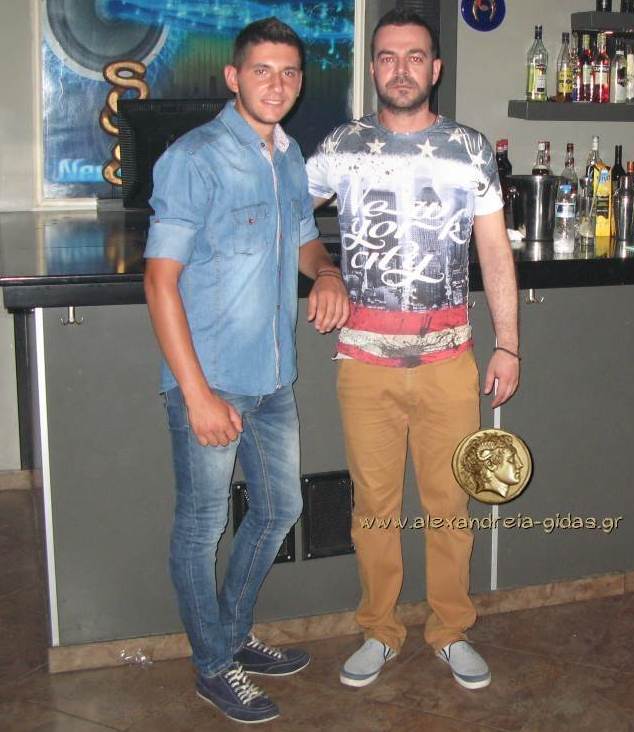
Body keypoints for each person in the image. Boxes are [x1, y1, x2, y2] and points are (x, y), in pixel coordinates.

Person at [305, 9, 519, 690]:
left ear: (436, 67)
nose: (401, 69)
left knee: (450, 504)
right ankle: (379, 628)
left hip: (447, 363)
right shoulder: (341, 146)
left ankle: (450, 629)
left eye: (415, 56)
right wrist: (325, 271)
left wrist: (508, 344)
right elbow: (286, 213)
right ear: (374, 67)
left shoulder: (468, 148)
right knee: (374, 509)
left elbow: (494, 250)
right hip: (363, 365)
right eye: (388, 57)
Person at [143, 18, 349, 724]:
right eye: (263, 70)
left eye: (289, 72)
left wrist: (327, 274)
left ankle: (230, 635)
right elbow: (159, 282)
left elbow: (304, 240)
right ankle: (212, 665)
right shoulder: (194, 158)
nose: (277, 84)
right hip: (210, 380)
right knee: (202, 528)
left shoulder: (288, 158)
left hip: (272, 377)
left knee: (281, 508)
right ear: (233, 77)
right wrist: (197, 395)